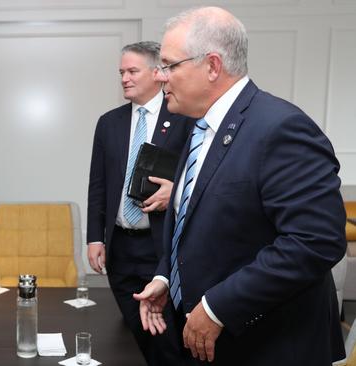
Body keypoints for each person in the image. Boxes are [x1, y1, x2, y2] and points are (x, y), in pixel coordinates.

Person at [135, 7, 346, 365]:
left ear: (212, 66)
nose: (159, 77)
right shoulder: (201, 127)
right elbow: (200, 222)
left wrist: (218, 307)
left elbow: (316, 241)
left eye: (169, 65)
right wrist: (166, 277)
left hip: (271, 346)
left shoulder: (280, 129)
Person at [86, 41, 193, 365]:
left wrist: (173, 192)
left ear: (158, 73)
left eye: (132, 71)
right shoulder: (109, 122)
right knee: (133, 334)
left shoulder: (185, 117)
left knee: (167, 337)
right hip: (120, 247)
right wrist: (95, 237)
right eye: (121, 72)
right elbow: (98, 184)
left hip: (161, 248)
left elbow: (200, 178)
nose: (124, 78)